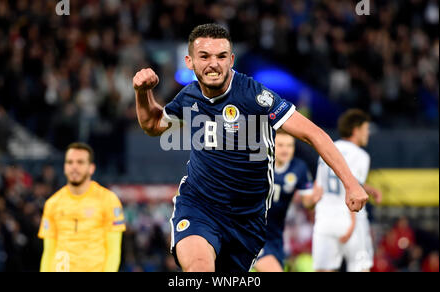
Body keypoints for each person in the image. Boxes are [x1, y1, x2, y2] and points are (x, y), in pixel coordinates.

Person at [133, 23, 368, 272]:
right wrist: (143, 93)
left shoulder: (255, 97)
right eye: (204, 56)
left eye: (221, 56)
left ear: (231, 59)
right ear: (190, 61)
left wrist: (351, 183)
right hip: (199, 206)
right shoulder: (189, 97)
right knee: (199, 268)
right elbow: (153, 124)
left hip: (247, 220)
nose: (213, 63)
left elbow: (313, 134)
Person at [312, 109, 382, 272]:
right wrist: (352, 224)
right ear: (356, 130)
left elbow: (321, 187)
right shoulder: (360, 155)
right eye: (366, 130)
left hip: (325, 219)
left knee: (323, 269)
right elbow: (354, 192)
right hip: (349, 219)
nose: (367, 134)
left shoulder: (326, 149)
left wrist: (369, 189)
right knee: (360, 268)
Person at [38, 142, 126, 272]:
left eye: (80, 162)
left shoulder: (108, 200)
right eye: (70, 162)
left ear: (91, 168)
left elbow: (113, 251)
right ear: (64, 167)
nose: (74, 167)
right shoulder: (52, 203)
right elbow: (48, 253)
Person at [254, 129, 323, 272]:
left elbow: (307, 203)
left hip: (276, 235)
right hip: (252, 230)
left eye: (289, 146)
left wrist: (315, 199)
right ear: (271, 145)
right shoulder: (258, 163)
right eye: (281, 145)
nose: (286, 150)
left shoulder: (299, 168)